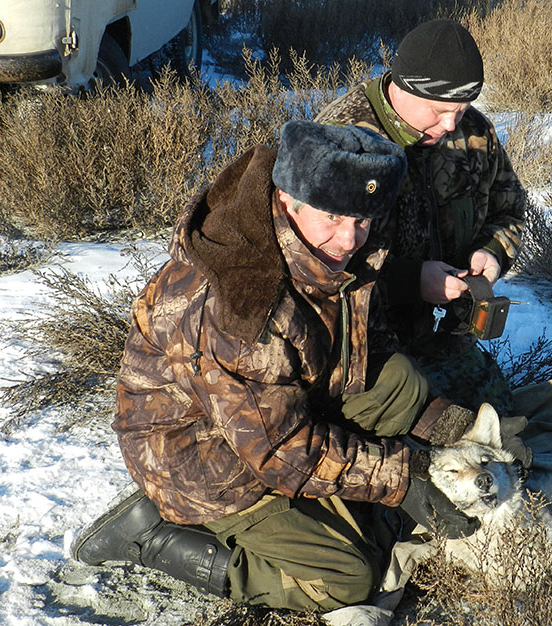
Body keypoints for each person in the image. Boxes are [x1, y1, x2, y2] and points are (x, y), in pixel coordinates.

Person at [70, 121, 484, 612]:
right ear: (288, 200)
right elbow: (280, 451)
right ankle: (155, 536)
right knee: (349, 578)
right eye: (331, 217)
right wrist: (402, 477)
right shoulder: (246, 307)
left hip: (276, 403)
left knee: (394, 380)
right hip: (205, 456)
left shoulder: (325, 241)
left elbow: (360, 342)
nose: (348, 238)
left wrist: (449, 426)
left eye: (362, 220)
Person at [316, 19, 528, 415]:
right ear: (401, 86)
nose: (450, 124)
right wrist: (410, 281)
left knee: (502, 423)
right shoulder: (343, 139)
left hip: (439, 336)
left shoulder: (474, 131)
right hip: (359, 351)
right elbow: (312, 269)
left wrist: (492, 251)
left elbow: (510, 206)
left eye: (461, 109)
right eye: (438, 110)